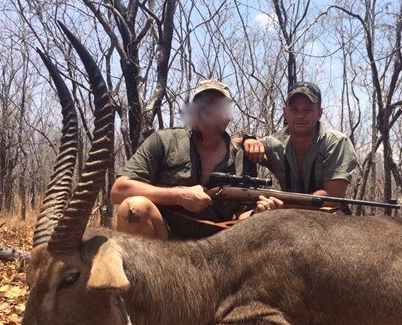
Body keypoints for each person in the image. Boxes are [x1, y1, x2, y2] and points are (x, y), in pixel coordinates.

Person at [111, 79, 281, 240]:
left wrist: (257, 214)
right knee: (133, 207)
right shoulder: (164, 141)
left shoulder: (242, 157)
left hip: (220, 249)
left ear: (227, 117)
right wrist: (178, 196)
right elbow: (119, 190)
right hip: (164, 246)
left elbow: (243, 214)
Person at [242, 81, 357, 199]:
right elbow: (235, 143)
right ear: (285, 112)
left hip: (327, 213)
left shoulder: (336, 142)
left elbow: (332, 198)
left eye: (307, 110)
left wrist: (281, 205)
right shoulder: (274, 144)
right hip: (287, 213)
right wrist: (248, 140)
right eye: (294, 110)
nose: (300, 116)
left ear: (319, 113)